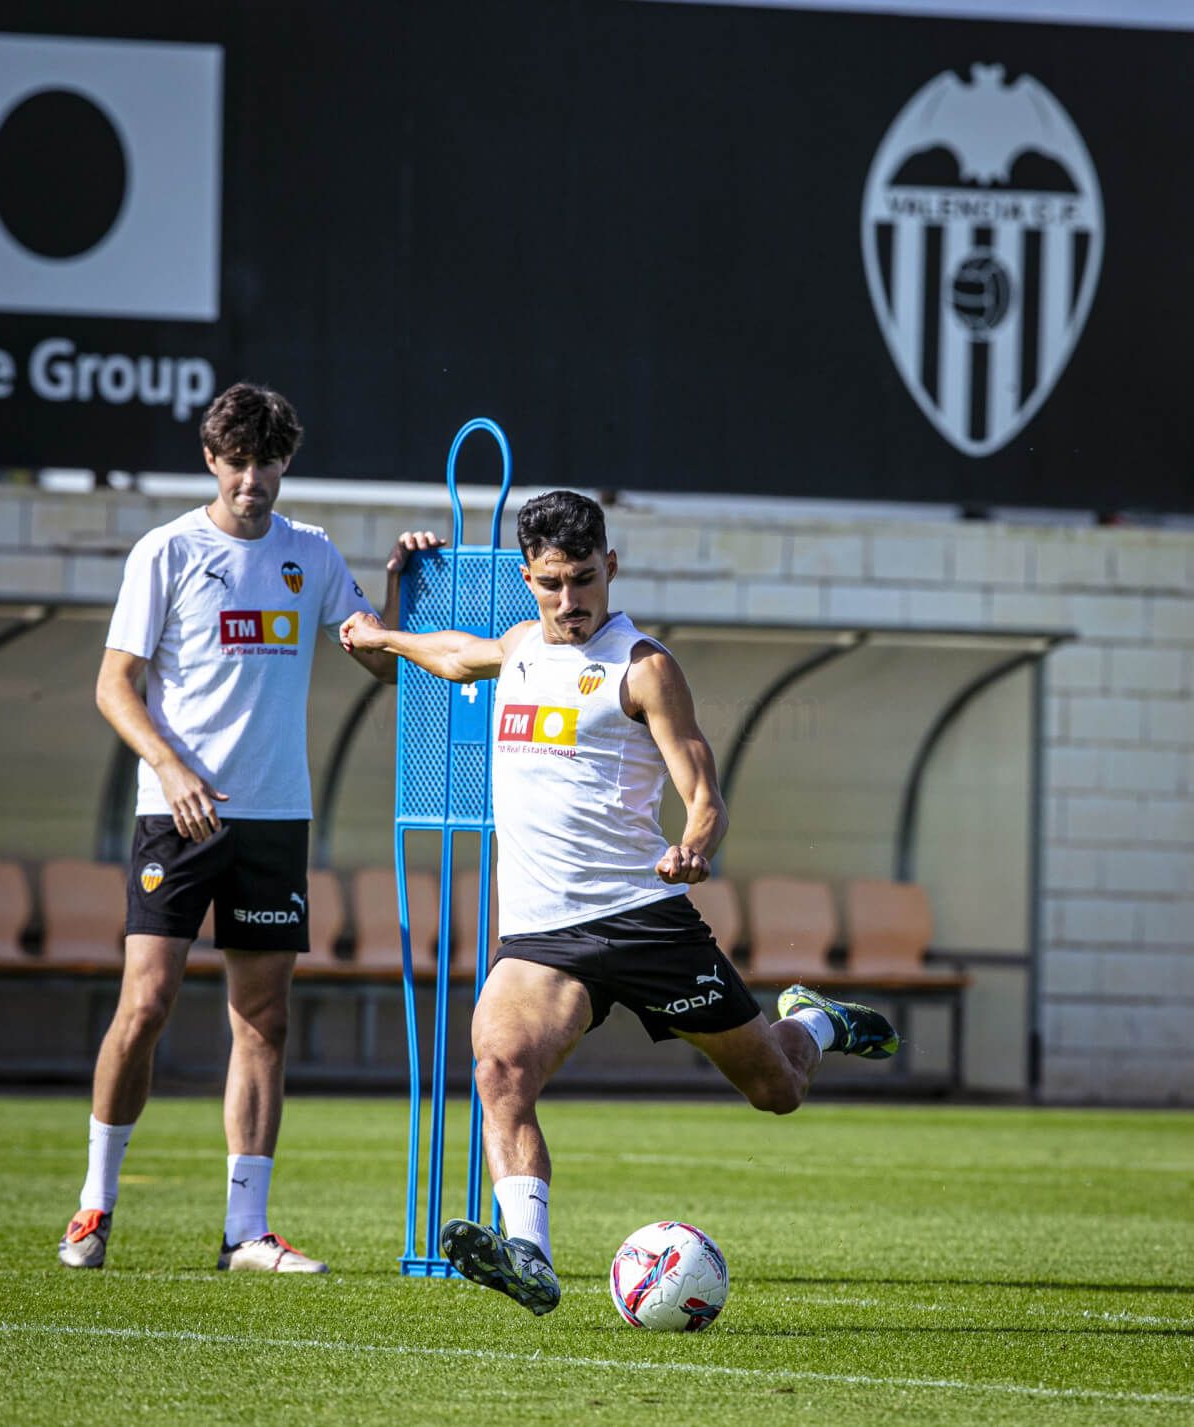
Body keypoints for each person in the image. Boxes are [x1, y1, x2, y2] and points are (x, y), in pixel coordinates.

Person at [340, 490, 899, 1315]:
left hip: (645, 919)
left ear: (613, 566)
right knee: (499, 1069)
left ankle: (814, 1021)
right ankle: (528, 1253)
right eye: (554, 583)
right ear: (528, 576)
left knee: (775, 1088)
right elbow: (457, 655)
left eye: (586, 580)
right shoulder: (522, 645)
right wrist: (383, 633)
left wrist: (696, 844)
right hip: (541, 934)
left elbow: (703, 788)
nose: (572, 602)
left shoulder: (644, 667)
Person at [59, 382, 396, 1273]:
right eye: (236, 461)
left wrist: (400, 587)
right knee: (146, 1005)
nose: (253, 478)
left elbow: (378, 659)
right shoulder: (166, 550)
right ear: (212, 460)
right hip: (176, 819)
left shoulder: (311, 555)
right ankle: (95, 1206)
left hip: (276, 818)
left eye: (268, 461)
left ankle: (246, 1230)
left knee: (264, 1021)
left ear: (287, 461)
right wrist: (171, 771)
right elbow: (113, 685)